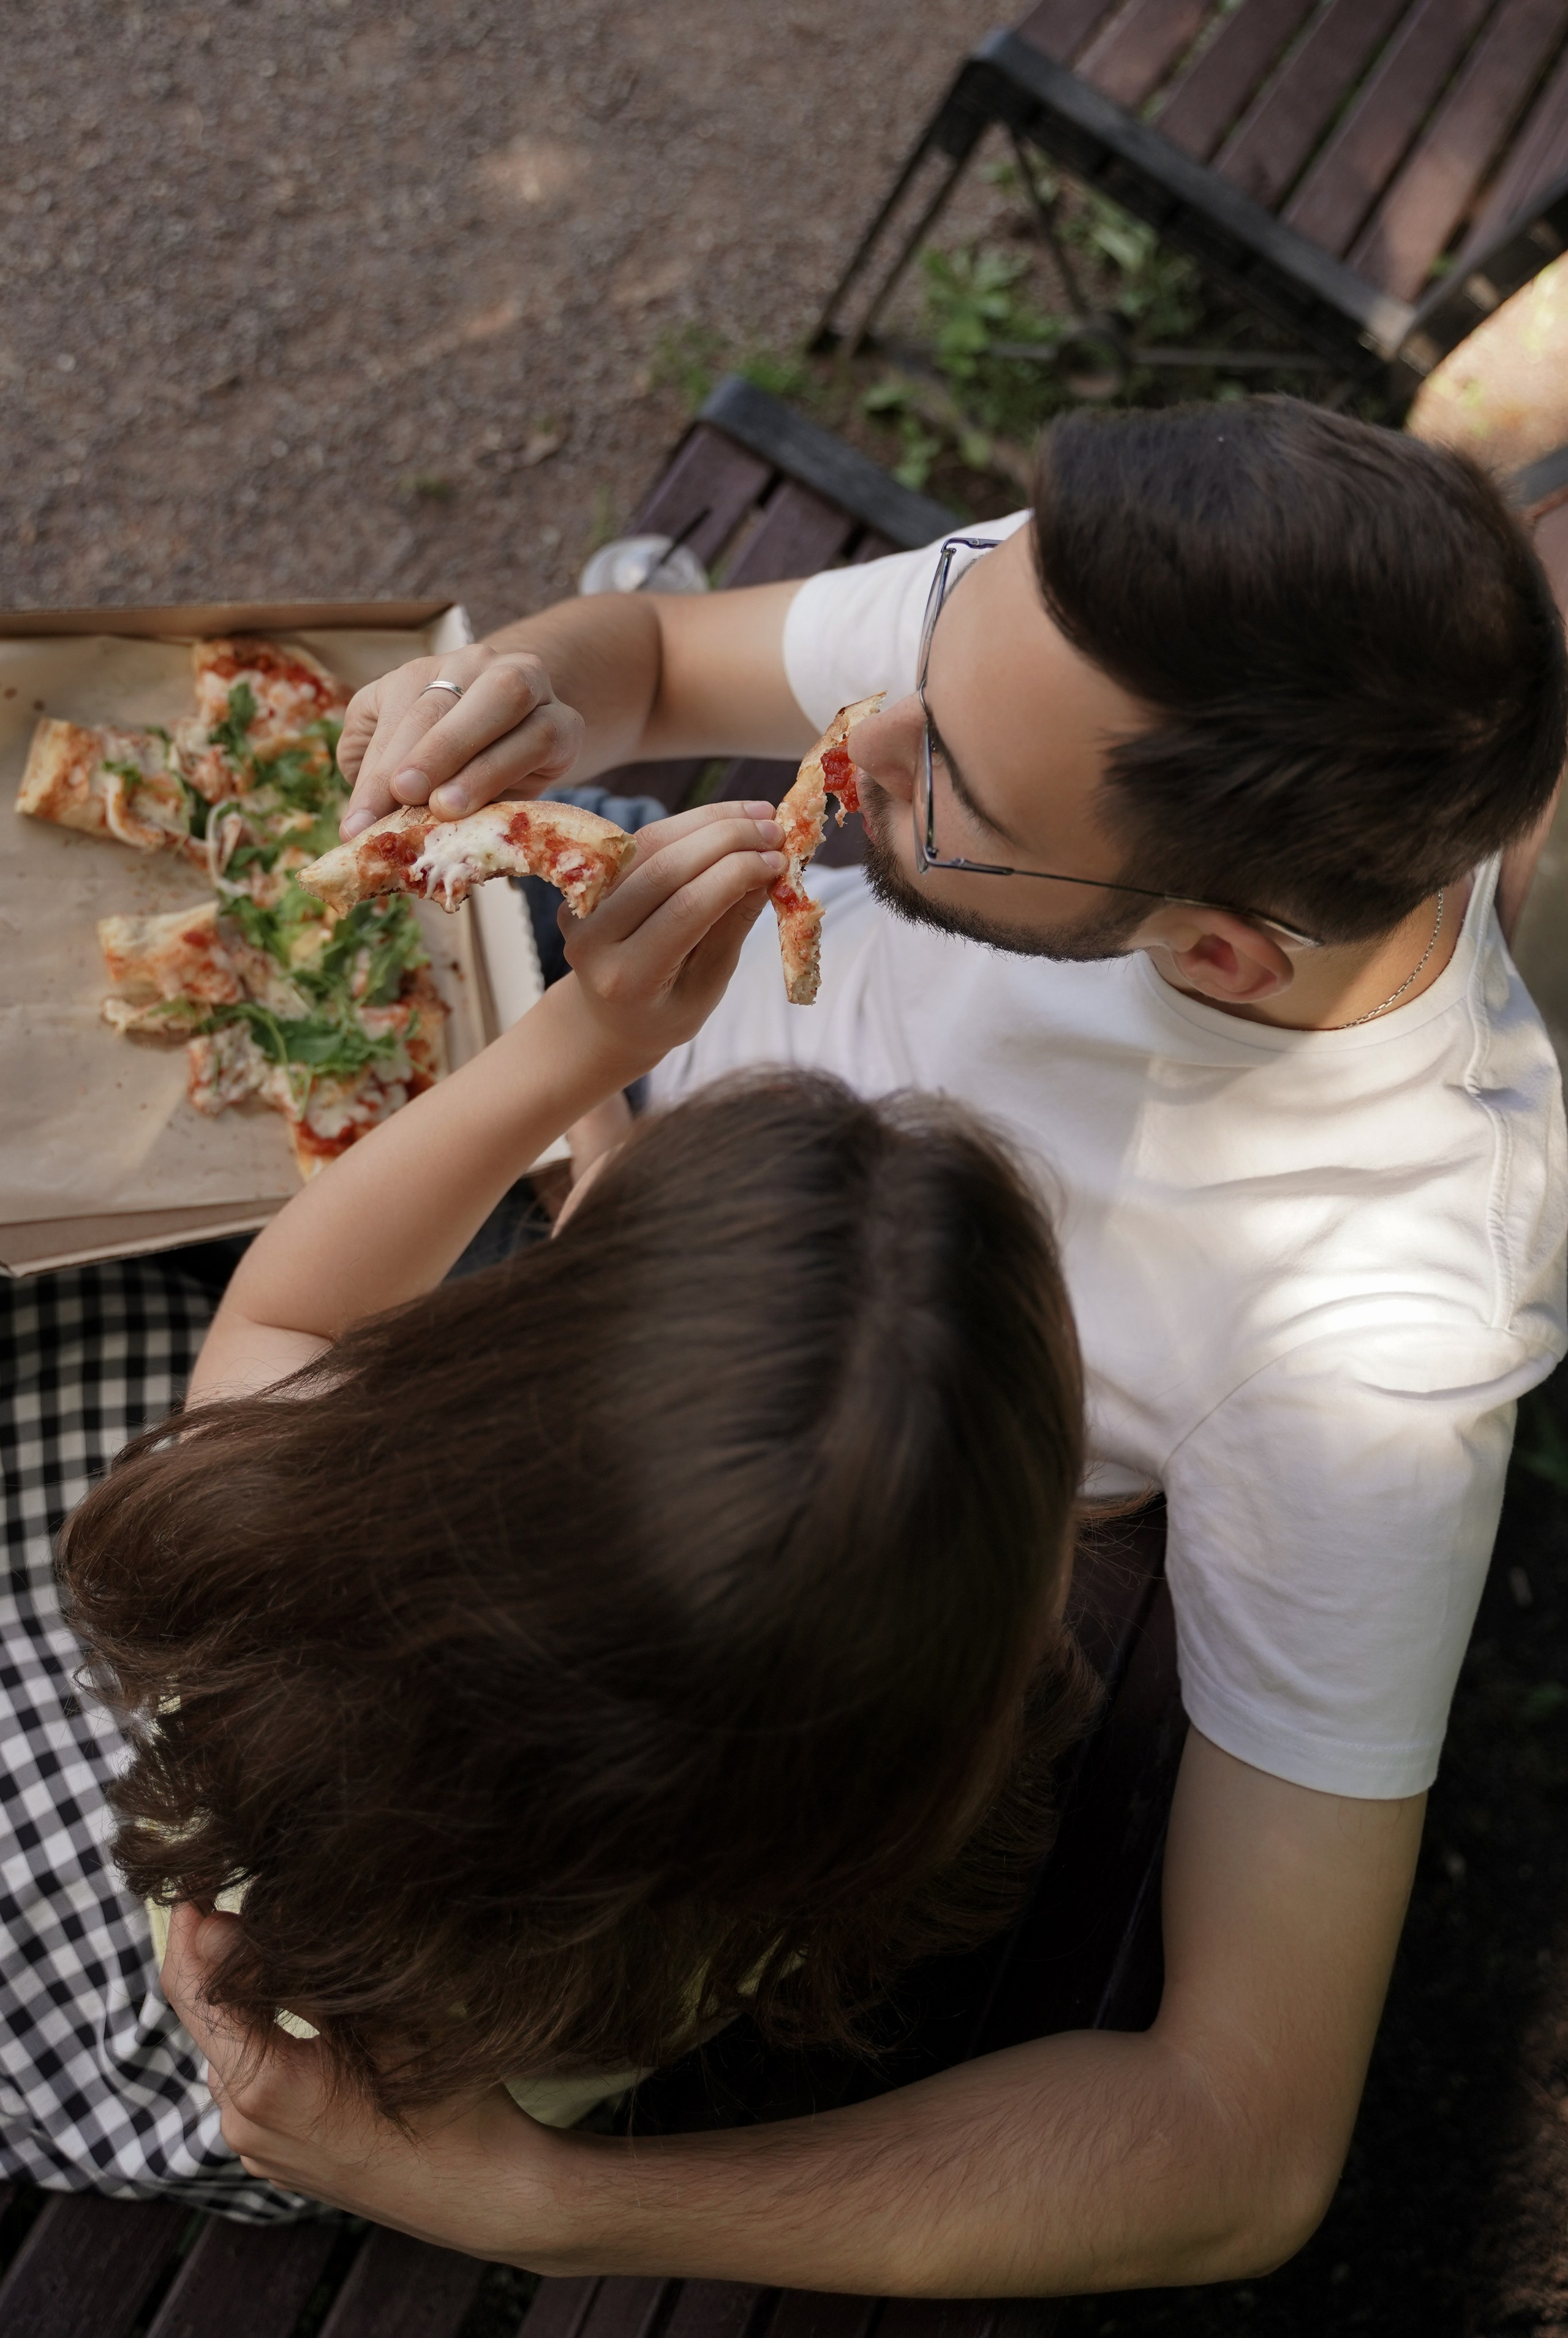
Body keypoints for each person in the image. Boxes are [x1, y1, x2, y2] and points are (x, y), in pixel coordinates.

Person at [175, 398, 1568, 2294]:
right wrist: (528, 688)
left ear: (1226, 950)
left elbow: (1241, 2140)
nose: (856, 745)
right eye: (930, 647)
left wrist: (549, 2209)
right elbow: (657, 657)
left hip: (682, 1535)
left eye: (950, 796)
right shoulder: (1067, 632)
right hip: (585, 1130)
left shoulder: (1374, 1347)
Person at [3, 807, 1096, 2206]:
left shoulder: (281, 1582)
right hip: (418, 2041)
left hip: (151, 1999)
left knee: (81, 1330)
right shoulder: (886, 1743)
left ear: (498, 1416)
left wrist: (584, 1044)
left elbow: (287, 1307)